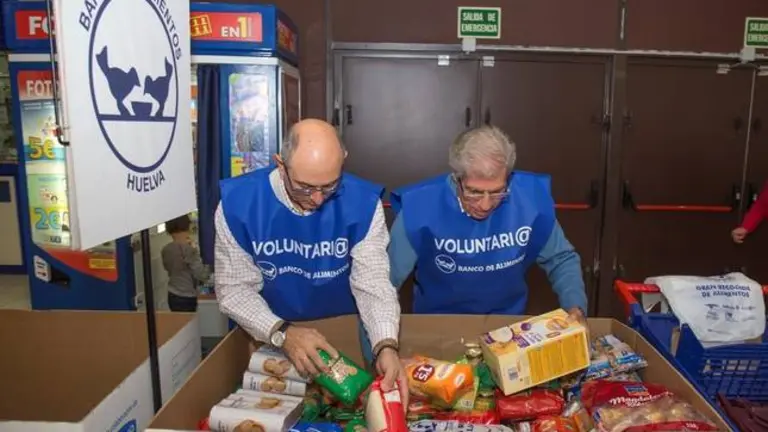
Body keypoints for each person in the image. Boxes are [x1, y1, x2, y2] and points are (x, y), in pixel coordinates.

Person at [360, 125, 588, 362]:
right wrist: (379, 354)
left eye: (498, 192)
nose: (486, 205)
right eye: (474, 192)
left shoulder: (530, 202)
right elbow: (382, 284)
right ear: (456, 178)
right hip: (437, 330)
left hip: (507, 331)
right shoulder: (421, 209)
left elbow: (561, 259)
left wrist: (575, 308)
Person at [215, 119, 406, 401]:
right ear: (281, 165)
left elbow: (373, 282)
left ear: (343, 160)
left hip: (339, 337)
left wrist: (385, 345)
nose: (317, 199)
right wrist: (282, 333)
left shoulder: (363, 203)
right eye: (304, 187)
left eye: (330, 186)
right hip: (268, 334)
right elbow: (234, 289)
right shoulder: (239, 205)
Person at [161, 214, 211, 312]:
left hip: (172, 293)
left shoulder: (166, 249)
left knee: (178, 320)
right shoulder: (189, 250)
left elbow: (167, 269)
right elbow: (201, 275)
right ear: (187, 227)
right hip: (187, 296)